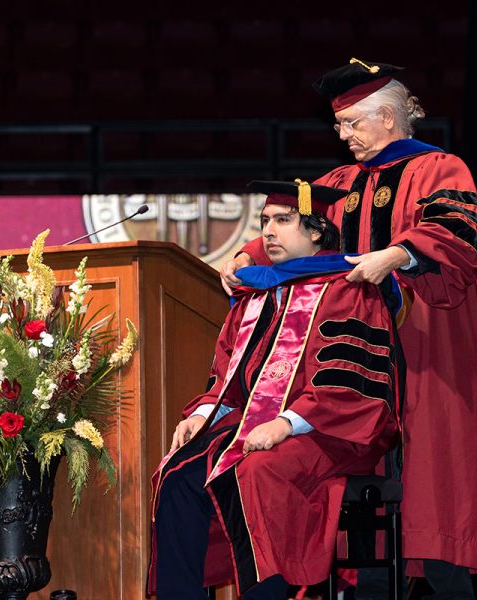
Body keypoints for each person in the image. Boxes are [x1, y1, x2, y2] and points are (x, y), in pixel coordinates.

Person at [221, 59, 477, 598]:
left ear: (389, 118)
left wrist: (396, 255)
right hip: (347, 367)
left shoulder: (441, 169)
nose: (343, 136)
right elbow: (290, 231)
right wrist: (242, 254)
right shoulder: (337, 184)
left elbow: (458, 236)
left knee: (432, 492)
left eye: (352, 125)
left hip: (425, 353)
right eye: (340, 127)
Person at [148, 180, 401, 599]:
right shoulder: (257, 293)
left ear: (317, 231)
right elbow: (228, 376)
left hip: (331, 430)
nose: (268, 231)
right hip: (251, 428)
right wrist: (201, 414)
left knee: (254, 473)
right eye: (265, 221)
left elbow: (350, 380)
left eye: (283, 221)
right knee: (175, 473)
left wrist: (286, 423)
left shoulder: (349, 288)